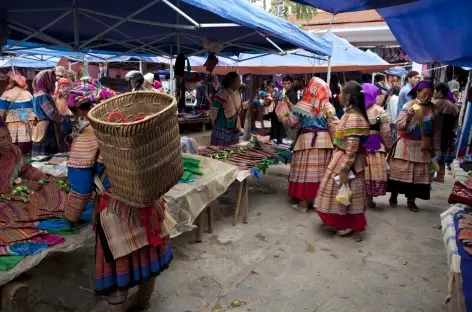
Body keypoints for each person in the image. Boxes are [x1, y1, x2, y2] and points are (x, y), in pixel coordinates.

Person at [65, 97, 172, 312]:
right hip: (151, 205)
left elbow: (82, 187)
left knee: (118, 273)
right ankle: (143, 302)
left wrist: (71, 216)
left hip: (118, 214)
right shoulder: (138, 129)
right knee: (148, 258)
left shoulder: (88, 137)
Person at [314, 81, 370, 236]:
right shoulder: (350, 114)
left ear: (347, 96)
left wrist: (345, 168)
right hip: (342, 156)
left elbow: (352, 147)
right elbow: (342, 134)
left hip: (347, 160)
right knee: (340, 191)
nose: (338, 95)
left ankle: (347, 223)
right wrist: (331, 117)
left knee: (346, 191)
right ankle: (337, 220)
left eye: (340, 92)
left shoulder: (353, 117)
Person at [276, 77, 338, 212]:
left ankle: (303, 204)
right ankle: (319, 202)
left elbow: (291, 122)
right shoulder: (327, 106)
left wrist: (282, 111)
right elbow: (334, 125)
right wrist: (335, 143)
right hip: (325, 143)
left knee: (305, 171)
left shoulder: (302, 104)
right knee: (320, 173)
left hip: (306, 142)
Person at [387, 80, 440, 212]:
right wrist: (409, 118)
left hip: (422, 145)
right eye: (425, 94)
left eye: (431, 94)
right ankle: (394, 195)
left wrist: (435, 147)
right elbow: (399, 125)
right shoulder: (408, 105)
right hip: (405, 144)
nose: (428, 97)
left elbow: (436, 130)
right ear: (417, 92)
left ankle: (411, 201)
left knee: (416, 176)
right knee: (399, 172)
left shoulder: (434, 109)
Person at [362, 83, 392, 208]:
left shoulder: (356, 109)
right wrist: (389, 145)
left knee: (361, 170)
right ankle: (369, 200)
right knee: (372, 172)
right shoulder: (379, 111)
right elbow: (385, 130)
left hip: (360, 143)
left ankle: (360, 199)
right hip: (375, 144)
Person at [31, 69, 70, 157]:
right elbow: (52, 115)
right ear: (45, 81)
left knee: (40, 158)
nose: (53, 83)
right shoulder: (43, 96)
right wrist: (67, 118)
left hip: (39, 126)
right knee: (47, 157)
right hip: (47, 130)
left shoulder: (36, 94)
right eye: (51, 80)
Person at [0, 74, 36, 154]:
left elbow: (1, 113)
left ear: (11, 82)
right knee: (27, 145)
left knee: (13, 146)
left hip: (13, 125)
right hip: (28, 125)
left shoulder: (6, 94)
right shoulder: (28, 94)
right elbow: (35, 110)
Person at [433, 83, 460, 182]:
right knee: (442, 156)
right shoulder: (453, 106)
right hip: (447, 136)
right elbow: (456, 124)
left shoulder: (433, 103)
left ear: (440, 92)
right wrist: (452, 134)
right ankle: (440, 176)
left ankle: (429, 178)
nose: (433, 93)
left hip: (433, 136)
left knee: (431, 158)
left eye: (434, 91)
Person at [210, 72, 242, 146]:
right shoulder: (221, 94)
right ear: (230, 81)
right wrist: (213, 120)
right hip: (222, 126)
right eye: (238, 81)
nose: (239, 83)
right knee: (221, 149)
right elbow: (214, 110)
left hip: (235, 125)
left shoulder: (237, 94)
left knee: (232, 149)